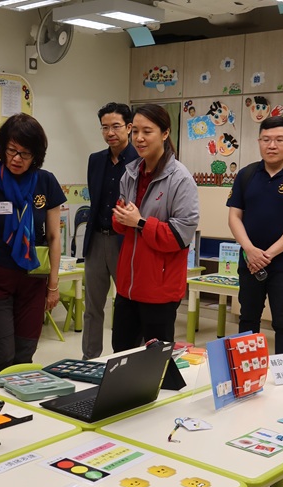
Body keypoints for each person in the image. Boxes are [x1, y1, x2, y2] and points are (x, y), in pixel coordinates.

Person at [0, 113, 65, 384]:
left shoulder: (46, 182)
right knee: (2, 354)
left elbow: (55, 237)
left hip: (33, 280)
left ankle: (19, 414)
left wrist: (53, 285)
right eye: (11, 150)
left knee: (25, 353)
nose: (16, 159)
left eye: (24, 153)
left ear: (36, 155)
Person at [111, 104, 199, 351]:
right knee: (121, 354)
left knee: (156, 362)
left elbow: (180, 236)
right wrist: (122, 218)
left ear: (164, 133)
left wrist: (139, 222)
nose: (139, 138)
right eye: (135, 131)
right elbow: (120, 224)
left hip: (159, 289)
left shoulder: (180, 179)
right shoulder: (130, 173)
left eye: (147, 131)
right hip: (128, 286)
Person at [227, 116, 283, 354]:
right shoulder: (246, 175)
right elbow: (234, 217)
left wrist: (267, 254)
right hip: (249, 261)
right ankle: (246, 374)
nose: (272, 145)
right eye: (266, 139)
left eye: (279, 139)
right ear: (259, 141)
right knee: (247, 318)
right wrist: (250, 250)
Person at [81, 102, 137, 360]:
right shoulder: (95, 160)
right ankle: (90, 359)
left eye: (116, 126)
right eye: (105, 127)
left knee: (126, 304)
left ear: (128, 127)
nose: (110, 132)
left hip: (124, 241)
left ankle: (123, 358)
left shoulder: (139, 159)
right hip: (96, 239)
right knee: (92, 306)